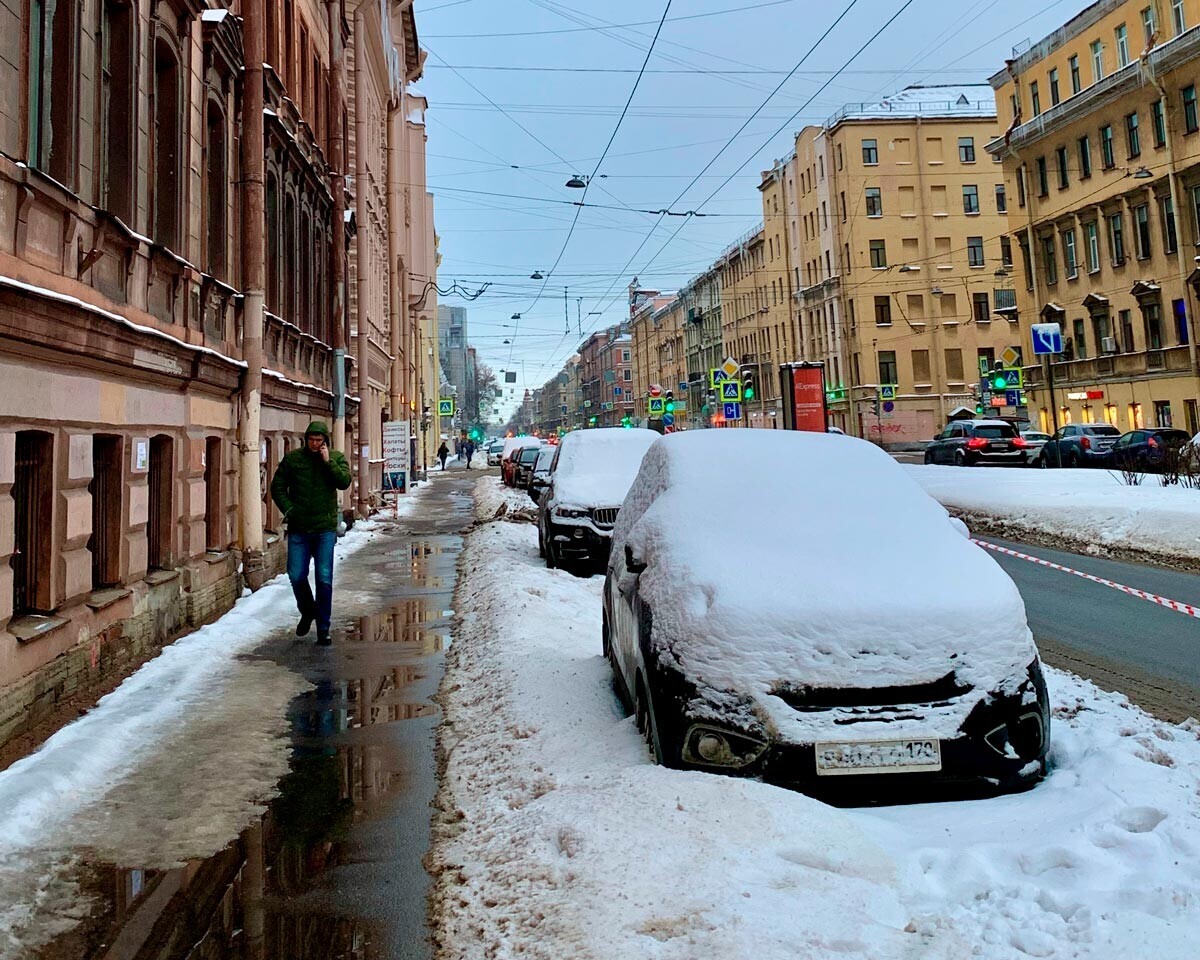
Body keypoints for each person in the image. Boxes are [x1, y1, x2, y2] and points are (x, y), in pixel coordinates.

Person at [270, 420, 352, 645]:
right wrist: (289, 509)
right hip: (299, 528)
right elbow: (277, 487)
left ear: (326, 441)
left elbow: (344, 482)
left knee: (324, 578)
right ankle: (308, 611)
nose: (315, 444)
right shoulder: (294, 460)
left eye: (319, 440)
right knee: (296, 574)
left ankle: (324, 628)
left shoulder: (335, 458)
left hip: (324, 529)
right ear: (306, 440)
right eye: (312, 440)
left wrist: (328, 463)